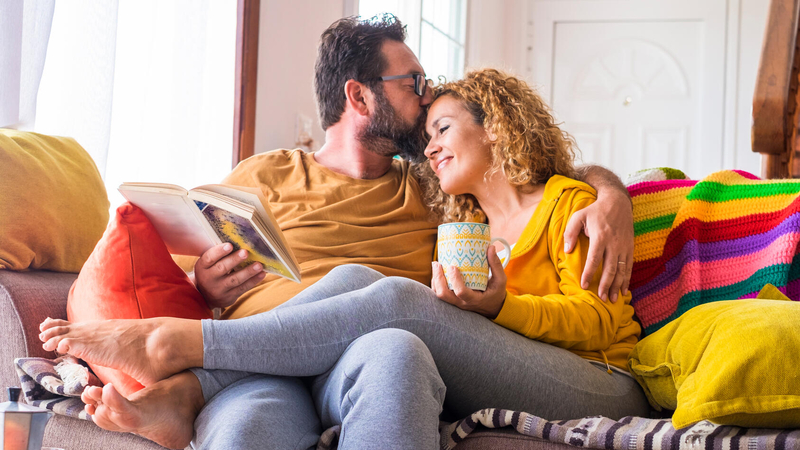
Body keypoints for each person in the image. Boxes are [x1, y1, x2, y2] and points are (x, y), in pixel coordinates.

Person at [39, 15, 639, 450]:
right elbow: (192, 257)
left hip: (363, 355)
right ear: (359, 95)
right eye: (414, 84)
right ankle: (198, 376)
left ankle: (186, 362)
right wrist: (206, 284)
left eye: (441, 114)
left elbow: (531, 172)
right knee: (246, 431)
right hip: (267, 365)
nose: (427, 100)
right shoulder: (263, 173)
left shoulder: (434, 188)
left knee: (397, 345)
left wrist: (613, 194)